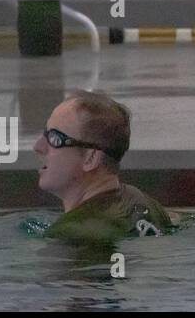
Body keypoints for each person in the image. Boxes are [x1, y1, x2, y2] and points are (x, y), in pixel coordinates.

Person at [35, 92, 173, 242]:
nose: (38, 147)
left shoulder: (73, 233)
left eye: (55, 138)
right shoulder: (146, 204)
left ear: (91, 158)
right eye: (45, 133)